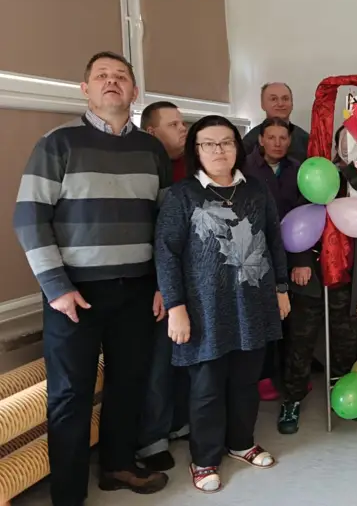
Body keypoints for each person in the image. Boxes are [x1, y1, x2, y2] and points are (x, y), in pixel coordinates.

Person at [13, 51, 171, 505]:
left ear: (134, 91)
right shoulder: (57, 144)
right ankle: (68, 495)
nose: (111, 81)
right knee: (70, 395)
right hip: (74, 292)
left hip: (138, 289)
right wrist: (57, 287)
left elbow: (166, 224)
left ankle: (118, 466)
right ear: (85, 89)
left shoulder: (152, 150)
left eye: (121, 76)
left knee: (129, 382)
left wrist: (163, 284)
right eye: (101, 76)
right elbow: (29, 218)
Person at [155, 116, 290, 493]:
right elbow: (166, 253)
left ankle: (241, 443)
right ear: (195, 150)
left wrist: (281, 288)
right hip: (205, 309)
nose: (218, 150)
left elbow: (274, 241)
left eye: (226, 142)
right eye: (208, 144)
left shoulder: (256, 190)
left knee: (246, 381)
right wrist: (176, 306)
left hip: (253, 302)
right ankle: (204, 458)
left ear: (237, 148)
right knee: (207, 387)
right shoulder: (182, 195)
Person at [277, 143, 357, 433]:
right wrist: (300, 261)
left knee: (345, 344)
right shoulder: (327, 183)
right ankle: (292, 399)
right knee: (300, 344)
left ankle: (344, 394)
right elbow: (297, 224)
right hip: (310, 283)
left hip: (348, 285)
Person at [136, 100, 190, 472]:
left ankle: (179, 422)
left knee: (185, 356)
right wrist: (162, 285)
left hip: (191, 277)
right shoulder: (144, 171)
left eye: (183, 123)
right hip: (155, 283)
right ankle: (151, 438)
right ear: (152, 132)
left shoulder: (192, 169)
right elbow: (153, 236)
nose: (183, 129)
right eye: (174, 124)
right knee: (157, 361)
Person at [242, 117, 302, 402]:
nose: (278, 143)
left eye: (283, 138)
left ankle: (290, 375)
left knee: (291, 318)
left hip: (291, 252)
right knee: (261, 317)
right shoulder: (245, 168)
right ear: (261, 140)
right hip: (254, 254)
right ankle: (263, 375)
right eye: (272, 137)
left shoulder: (298, 170)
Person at [242, 82, 309, 162]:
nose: (280, 104)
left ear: (292, 104)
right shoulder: (249, 142)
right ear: (262, 104)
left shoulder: (307, 140)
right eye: (274, 99)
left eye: (285, 99)